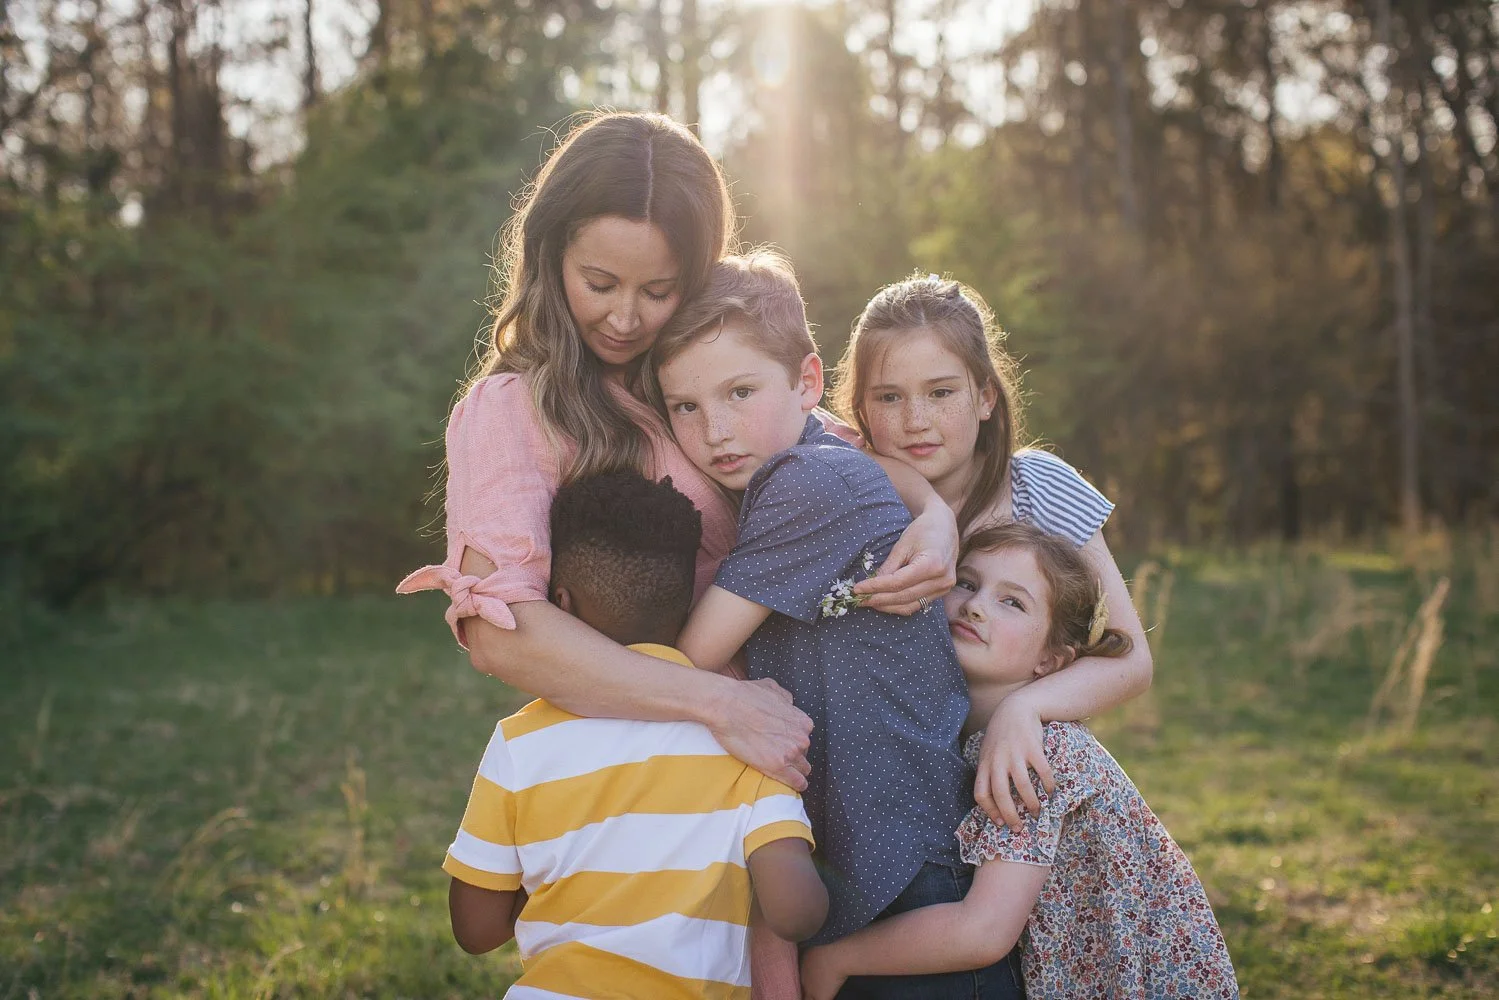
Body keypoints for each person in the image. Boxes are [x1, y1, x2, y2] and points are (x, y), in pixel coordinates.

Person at [396, 112, 956, 998]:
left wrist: (933, 518)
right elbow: (505, 633)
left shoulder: (699, 371)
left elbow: (834, 455)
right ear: (549, 258)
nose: (625, 316)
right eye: (599, 281)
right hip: (663, 775)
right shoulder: (515, 411)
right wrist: (710, 703)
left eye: (658, 288)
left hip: (804, 744)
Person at [649, 250, 1024, 998]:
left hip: (903, 870)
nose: (715, 429)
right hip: (879, 853)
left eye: (739, 392)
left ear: (809, 385)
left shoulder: (807, 482)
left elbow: (691, 657)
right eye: (684, 407)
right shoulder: (818, 463)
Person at [799, 523, 1240, 1000]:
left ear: (1050, 661)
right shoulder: (970, 732)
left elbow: (983, 931)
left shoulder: (1036, 753)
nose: (975, 605)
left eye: (1012, 602)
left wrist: (837, 957)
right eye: (967, 582)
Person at [445, 470, 828, 998]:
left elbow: (476, 930)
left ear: (562, 604)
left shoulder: (520, 743)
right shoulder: (747, 733)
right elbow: (795, 912)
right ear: (687, 606)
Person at [831, 273, 1154, 831]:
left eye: (941, 392)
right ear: (860, 405)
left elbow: (1130, 662)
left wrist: (1022, 708)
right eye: (889, 397)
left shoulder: (1037, 489)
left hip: (1018, 789)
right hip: (886, 799)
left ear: (984, 396)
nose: (916, 421)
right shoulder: (849, 499)